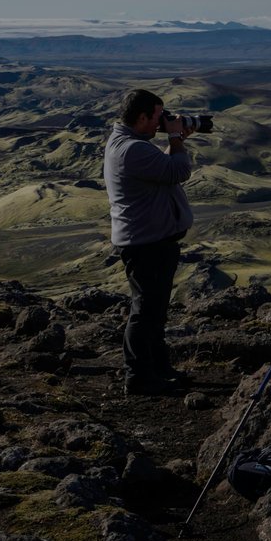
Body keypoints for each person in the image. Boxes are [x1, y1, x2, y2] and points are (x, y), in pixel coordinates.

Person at [104, 88, 195, 395]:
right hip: (146, 243)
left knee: (154, 310)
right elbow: (179, 171)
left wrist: (176, 139)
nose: (161, 122)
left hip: (149, 240)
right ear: (142, 117)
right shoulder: (132, 149)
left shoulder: (130, 145)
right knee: (145, 310)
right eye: (157, 116)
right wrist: (175, 138)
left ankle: (158, 369)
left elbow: (164, 171)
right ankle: (139, 376)